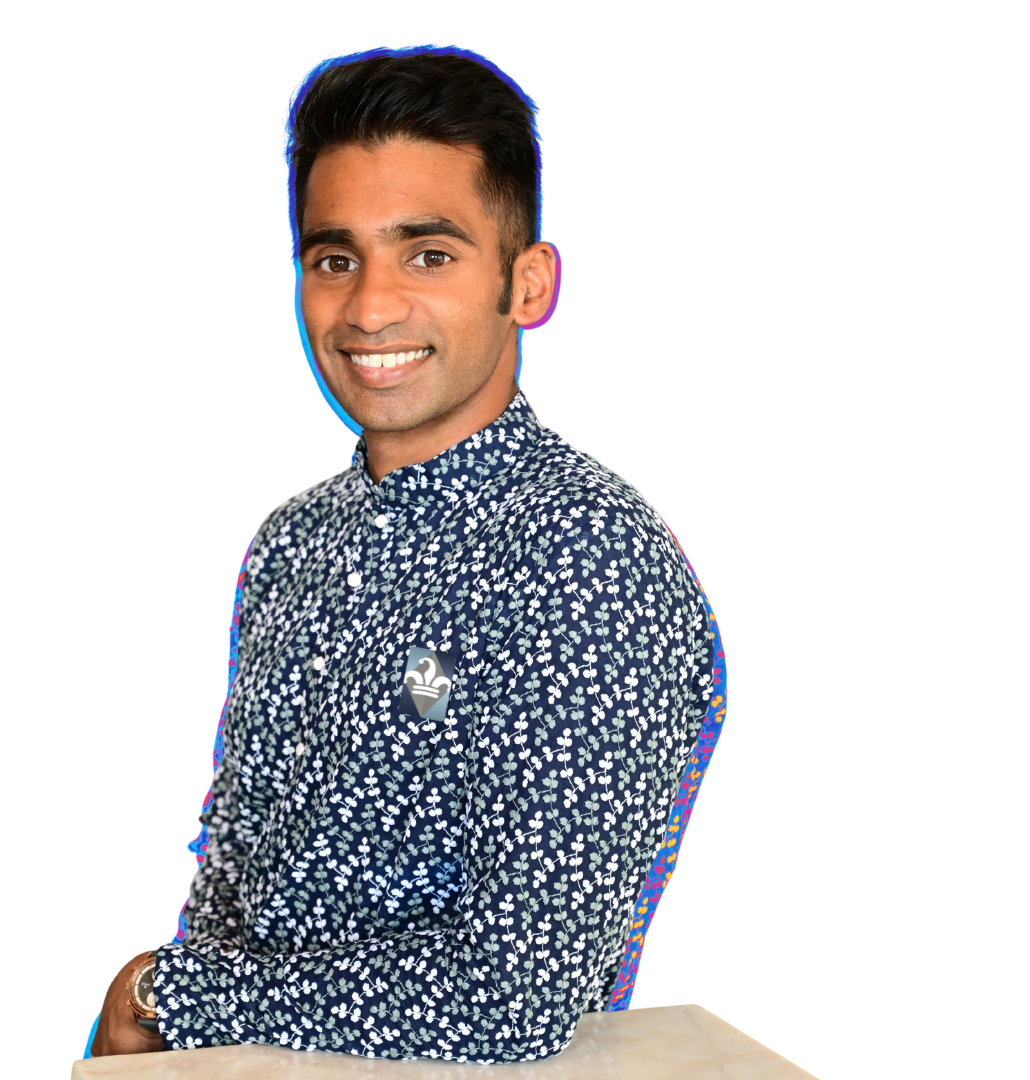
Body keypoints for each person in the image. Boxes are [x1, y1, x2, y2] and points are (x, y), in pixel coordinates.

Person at [91, 46, 723, 1063]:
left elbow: (515, 997)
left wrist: (176, 997)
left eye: (428, 254)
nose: (371, 307)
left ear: (529, 282)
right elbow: (237, 847)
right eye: (335, 258)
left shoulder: (585, 556)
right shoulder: (295, 536)